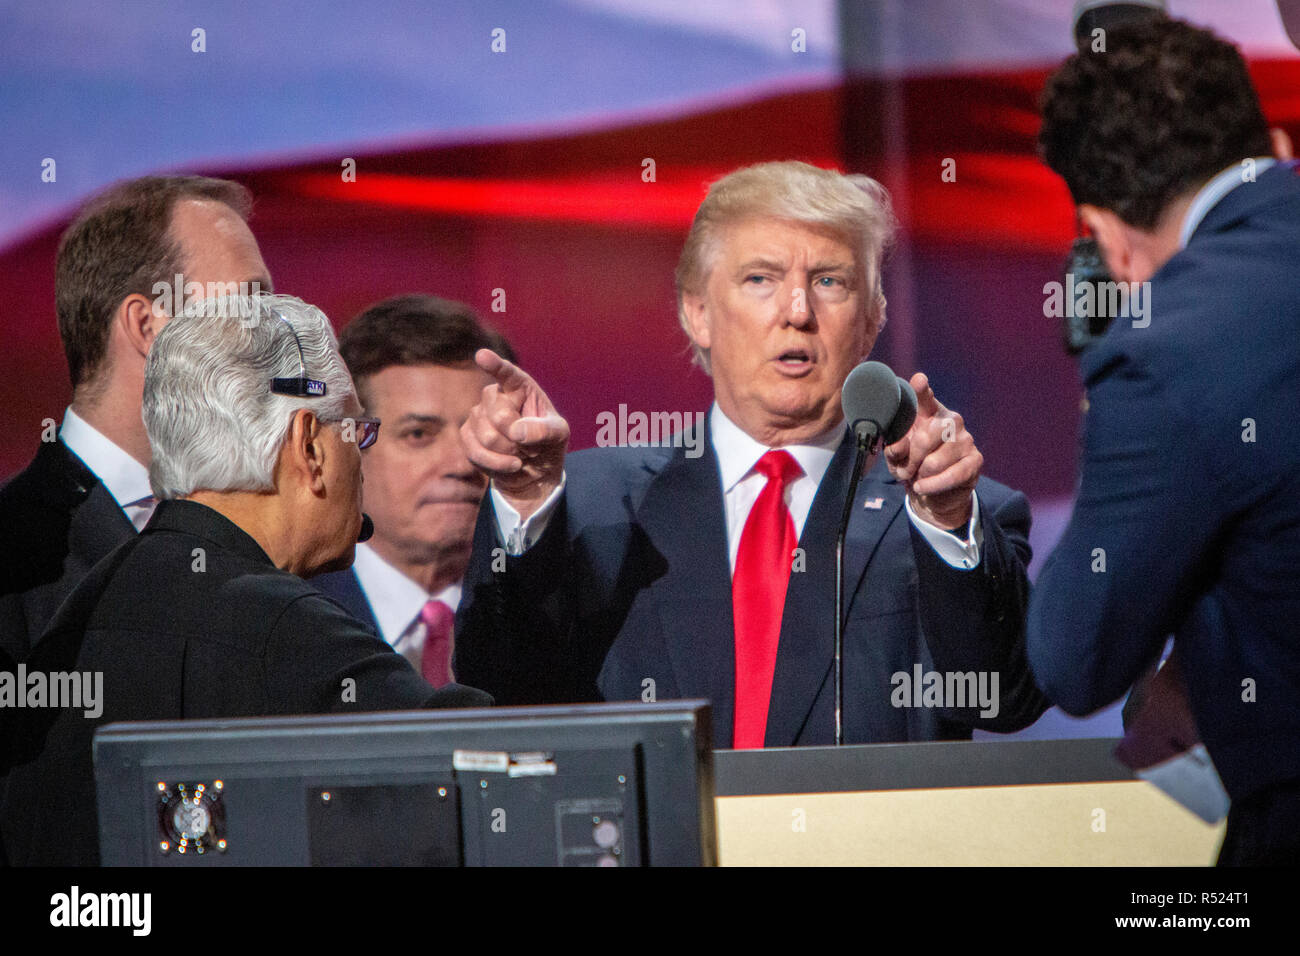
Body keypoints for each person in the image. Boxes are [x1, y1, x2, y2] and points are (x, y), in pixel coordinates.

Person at [454, 160, 1047, 749]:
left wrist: (945, 519)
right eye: (760, 279)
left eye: (829, 281)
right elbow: (502, 693)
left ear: (873, 321)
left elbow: (1005, 699)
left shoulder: (952, 513)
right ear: (699, 312)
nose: (797, 312)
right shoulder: (589, 505)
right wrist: (526, 501)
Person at [1, 294, 491, 866]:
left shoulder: (77, 615)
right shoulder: (286, 630)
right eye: (358, 433)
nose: (360, 458)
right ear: (309, 445)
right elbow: (498, 769)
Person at [1030, 17, 1300, 864]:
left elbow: (1074, 660)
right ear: (1274, 138)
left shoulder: (1163, 354)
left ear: (1108, 235)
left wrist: (1106, 429)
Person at [0, 175, 273, 664]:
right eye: (251, 305)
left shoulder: (269, 536)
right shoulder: (15, 557)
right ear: (148, 327)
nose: (277, 338)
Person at [314, 295, 515, 685]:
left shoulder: (544, 615)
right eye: (419, 434)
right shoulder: (287, 623)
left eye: (483, 431)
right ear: (349, 446)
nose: (463, 463)